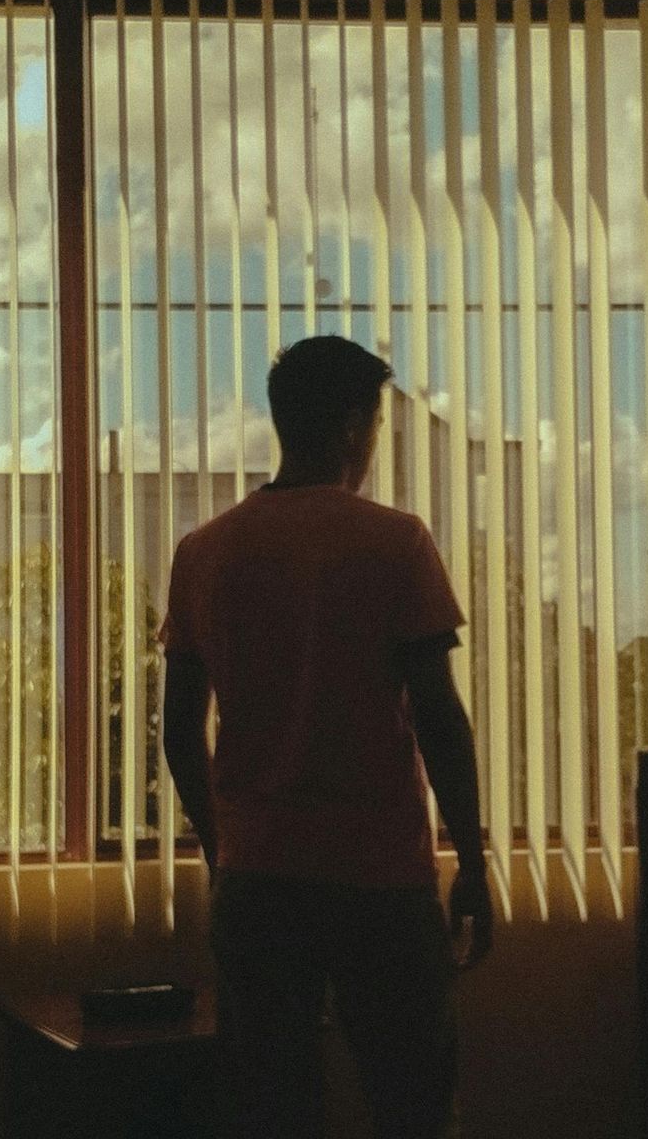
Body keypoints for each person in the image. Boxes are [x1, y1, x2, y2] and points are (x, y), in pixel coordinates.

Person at [160, 335, 493, 1139]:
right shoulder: (395, 542)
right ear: (354, 427)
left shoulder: (204, 552)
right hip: (380, 881)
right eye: (377, 424)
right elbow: (438, 716)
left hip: (260, 881)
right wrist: (475, 863)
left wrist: (221, 849)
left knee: (271, 1109)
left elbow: (177, 730)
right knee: (412, 1105)